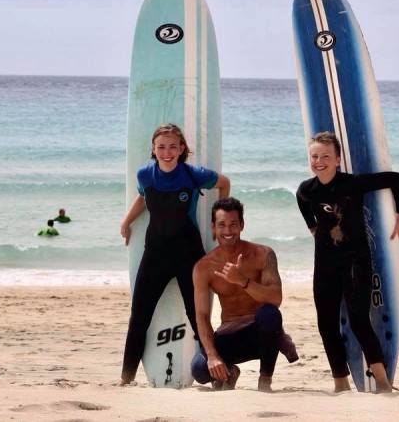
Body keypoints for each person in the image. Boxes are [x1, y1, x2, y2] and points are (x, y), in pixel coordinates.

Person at [119, 123, 230, 386]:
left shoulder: (193, 175)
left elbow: (224, 184)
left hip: (188, 255)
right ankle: (126, 379)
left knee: (198, 316)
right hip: (155, 254)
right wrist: (126, 223)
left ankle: (220, 376)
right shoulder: (145, 174)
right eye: (161, 147)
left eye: (172, 147)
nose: (167, 152)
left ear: (181, 149)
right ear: (153, 150)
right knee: (139, 317)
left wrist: (218, 221)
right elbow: (143, 198)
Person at [296, 132, 399, 393]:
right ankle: (340, 383)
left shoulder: (352, 184)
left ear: (337, 159)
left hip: (356, 260)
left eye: (325, 156)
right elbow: (304, 207)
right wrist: (316, 230)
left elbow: (396, 179)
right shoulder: (306, 189)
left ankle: (383, 383)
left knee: (358, 319)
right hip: (324, 264)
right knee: (326, 322)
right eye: (314, 156)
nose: (319, 161)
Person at [190, 197, 297, 393]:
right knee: (199, 369)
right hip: (230, 333)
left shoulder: (262, 254)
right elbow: (202, 316)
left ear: (242, 225)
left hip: (261, 333)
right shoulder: (203, 267)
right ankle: (230, 371)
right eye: (222, 225)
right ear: (214, 227)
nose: (228, 231)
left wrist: (243, 281)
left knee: (270, 314)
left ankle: (265, 379)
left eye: (233, 224)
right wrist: (213, 355)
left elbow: (275, 299)